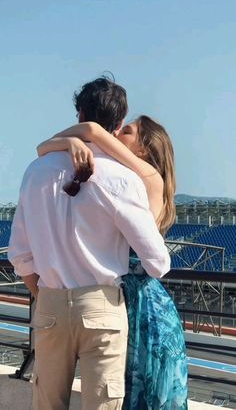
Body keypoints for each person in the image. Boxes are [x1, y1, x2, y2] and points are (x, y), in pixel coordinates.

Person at [8, 77, 171, 410]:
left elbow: (20, 255)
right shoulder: (123, 179)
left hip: (51, 302)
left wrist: (47, 294)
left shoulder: (36, 170)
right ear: (119, 123)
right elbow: (158, 262)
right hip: (102, 306)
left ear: (78, 113)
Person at [37, 116, 188, 409]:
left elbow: (90, 131)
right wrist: (69, 143)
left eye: (127, 131)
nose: (117, 132)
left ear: (145, 148)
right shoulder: (129, 179)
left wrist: (71, 140)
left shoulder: (146, 177)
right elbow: (44, 147)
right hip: (127, 302)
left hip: (141, 307)